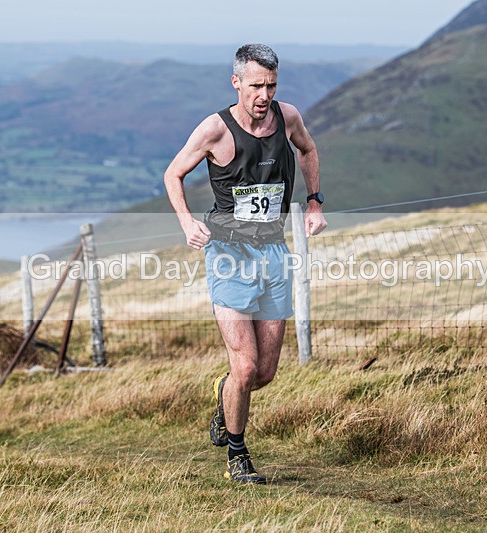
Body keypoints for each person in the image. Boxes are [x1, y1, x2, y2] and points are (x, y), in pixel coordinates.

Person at [164, 43, 327, 484]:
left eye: (271, 85)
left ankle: (225, 393)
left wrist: (313, 202)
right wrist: (186, 223)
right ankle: (238, 455)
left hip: (274, 253)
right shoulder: (214, 129)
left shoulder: (288, 117)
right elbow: (173, 174)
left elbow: (308, 151)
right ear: (236, 82)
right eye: (256, 85)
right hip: (228, 255)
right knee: (247, 365)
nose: (264, 94)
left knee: (266, 373)